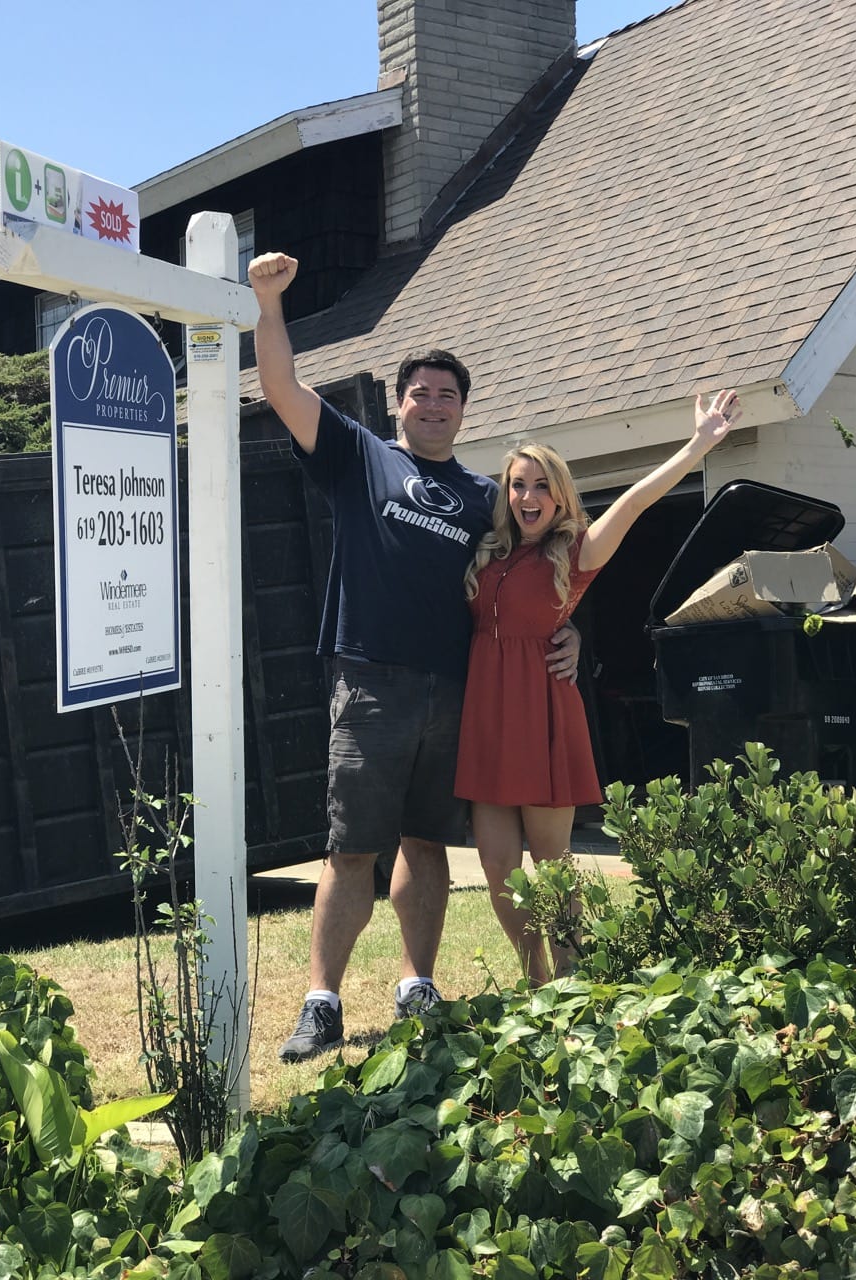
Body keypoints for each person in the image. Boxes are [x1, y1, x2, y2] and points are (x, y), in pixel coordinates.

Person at [246, 251, 582, 1062]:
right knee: (352, 846)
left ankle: (415, 984)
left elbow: (549, 560)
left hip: (457, 691)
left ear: (464, 411)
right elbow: (284, 389)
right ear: (399, 404)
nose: (433, 404)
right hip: (369, 681)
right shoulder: (362, 458)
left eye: (448, 394)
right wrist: (268, 304)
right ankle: (321, 1002)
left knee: (428, 845)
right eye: (420, 392)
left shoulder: (484, 497)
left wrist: (573, 632)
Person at [455, 390, 742, 984]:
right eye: (516, 485)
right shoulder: (490, 552)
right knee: (499, 870)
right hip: (486, 717)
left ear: (559, 493)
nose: (527, 497)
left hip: (542, 713)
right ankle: (534, 979)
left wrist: (699, 444)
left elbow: (636, 502)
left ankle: (571, 978)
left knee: (550, 866)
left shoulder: (576, 551)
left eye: (539, 485)